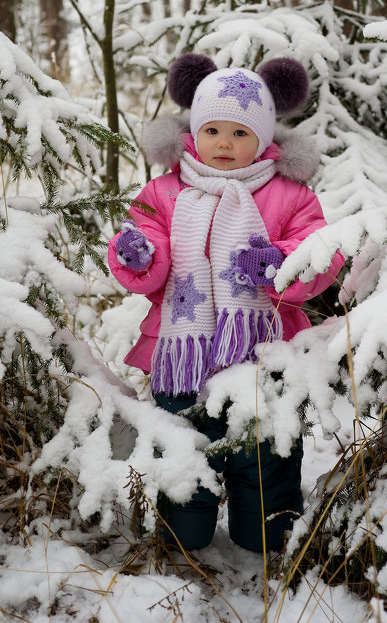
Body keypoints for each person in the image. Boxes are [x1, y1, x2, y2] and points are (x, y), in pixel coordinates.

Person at [108, 54, 344, 553]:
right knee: (187, 455)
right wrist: (138, 254)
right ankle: (183, 537)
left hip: (263, 359)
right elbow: (147, 249)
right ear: (193, 130)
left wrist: (278, 264)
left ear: (263, 139)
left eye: (240, 133)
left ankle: (266, 537)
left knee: (264, 460)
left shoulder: (290, 194)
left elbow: (321, 253)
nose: (224, 143)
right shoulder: (164, 189)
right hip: (181, 357)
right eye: (213, 130)